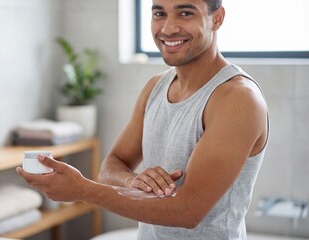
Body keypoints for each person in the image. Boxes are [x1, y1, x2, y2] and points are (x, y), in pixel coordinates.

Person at [17, 0, 269, 239]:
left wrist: (83, 190)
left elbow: (188, 211)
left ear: (217, 18)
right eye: (159, 13)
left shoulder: (237, 98)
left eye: (185, 13)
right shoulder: (155, 87)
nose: (168, 28)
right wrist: (132, 180)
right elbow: (111, 166)